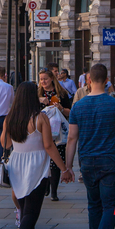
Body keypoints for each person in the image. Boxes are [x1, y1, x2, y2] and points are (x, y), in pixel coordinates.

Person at [1, 82, 70, 229]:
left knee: (25, 210)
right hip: (36, 165)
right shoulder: (40, 118)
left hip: (17, 164)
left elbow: (5, 144)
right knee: (32, 211)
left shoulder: (10, 118)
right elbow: (49, 146)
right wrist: (64, 169)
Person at [65, 64, 115, 229]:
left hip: (88, 162)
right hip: (111, 160)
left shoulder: (78, 107)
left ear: (88, 80)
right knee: (111, 206)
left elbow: (72, 139)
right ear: (107, 81)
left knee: (94, 205)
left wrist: (68, 167)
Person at [38, 68, 71, 201]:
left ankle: (54, 191)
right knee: (44, 160)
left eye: (45, 79)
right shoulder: (37, 93)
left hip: (57, 134)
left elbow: (70, 112)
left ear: (52, 78)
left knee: (57, 160)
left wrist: (61, 109)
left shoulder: (61, 93)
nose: (43, 82)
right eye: (41, 79)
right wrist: (39, 101)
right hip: (41, 132)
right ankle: (45, 186)